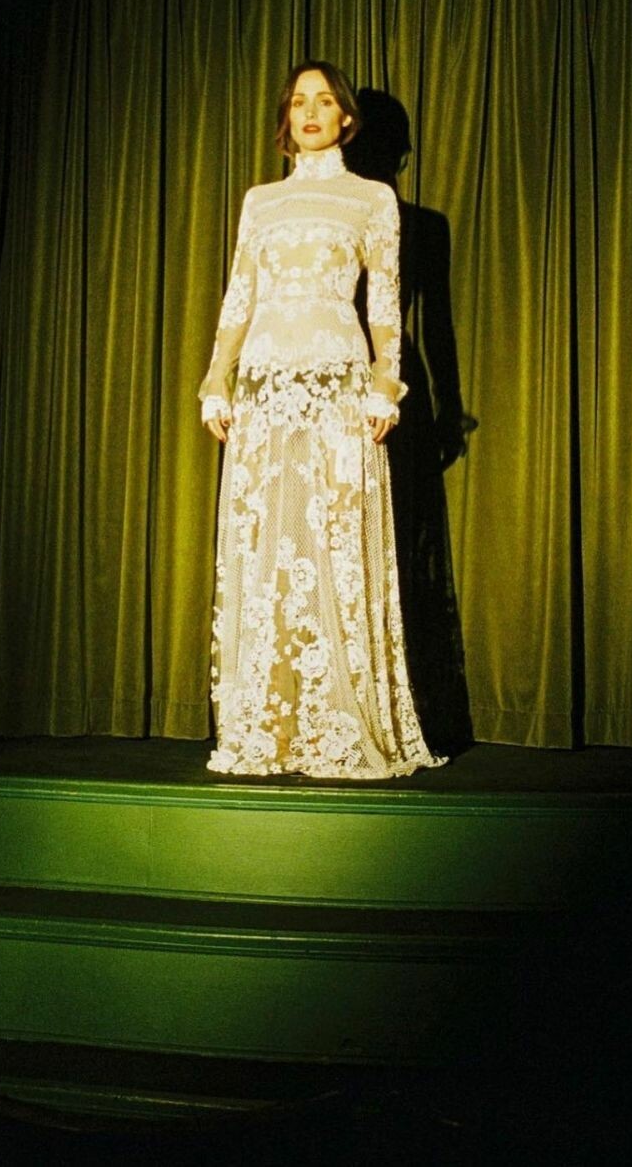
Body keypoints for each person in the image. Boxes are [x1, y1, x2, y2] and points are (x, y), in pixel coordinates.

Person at [198, 61, 446, 778]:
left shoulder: (372, 199)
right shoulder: (261, 201)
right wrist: (216, 379)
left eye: (325, 100)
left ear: (346, 118)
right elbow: (239, 296)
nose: (310, 111)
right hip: (265, 388)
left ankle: (342, 721)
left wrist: (386, 384)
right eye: (299, 101)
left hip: (338, 384)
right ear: (286, 117)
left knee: (335, 547)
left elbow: (386, 304)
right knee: (268, 552)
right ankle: (269, 728)